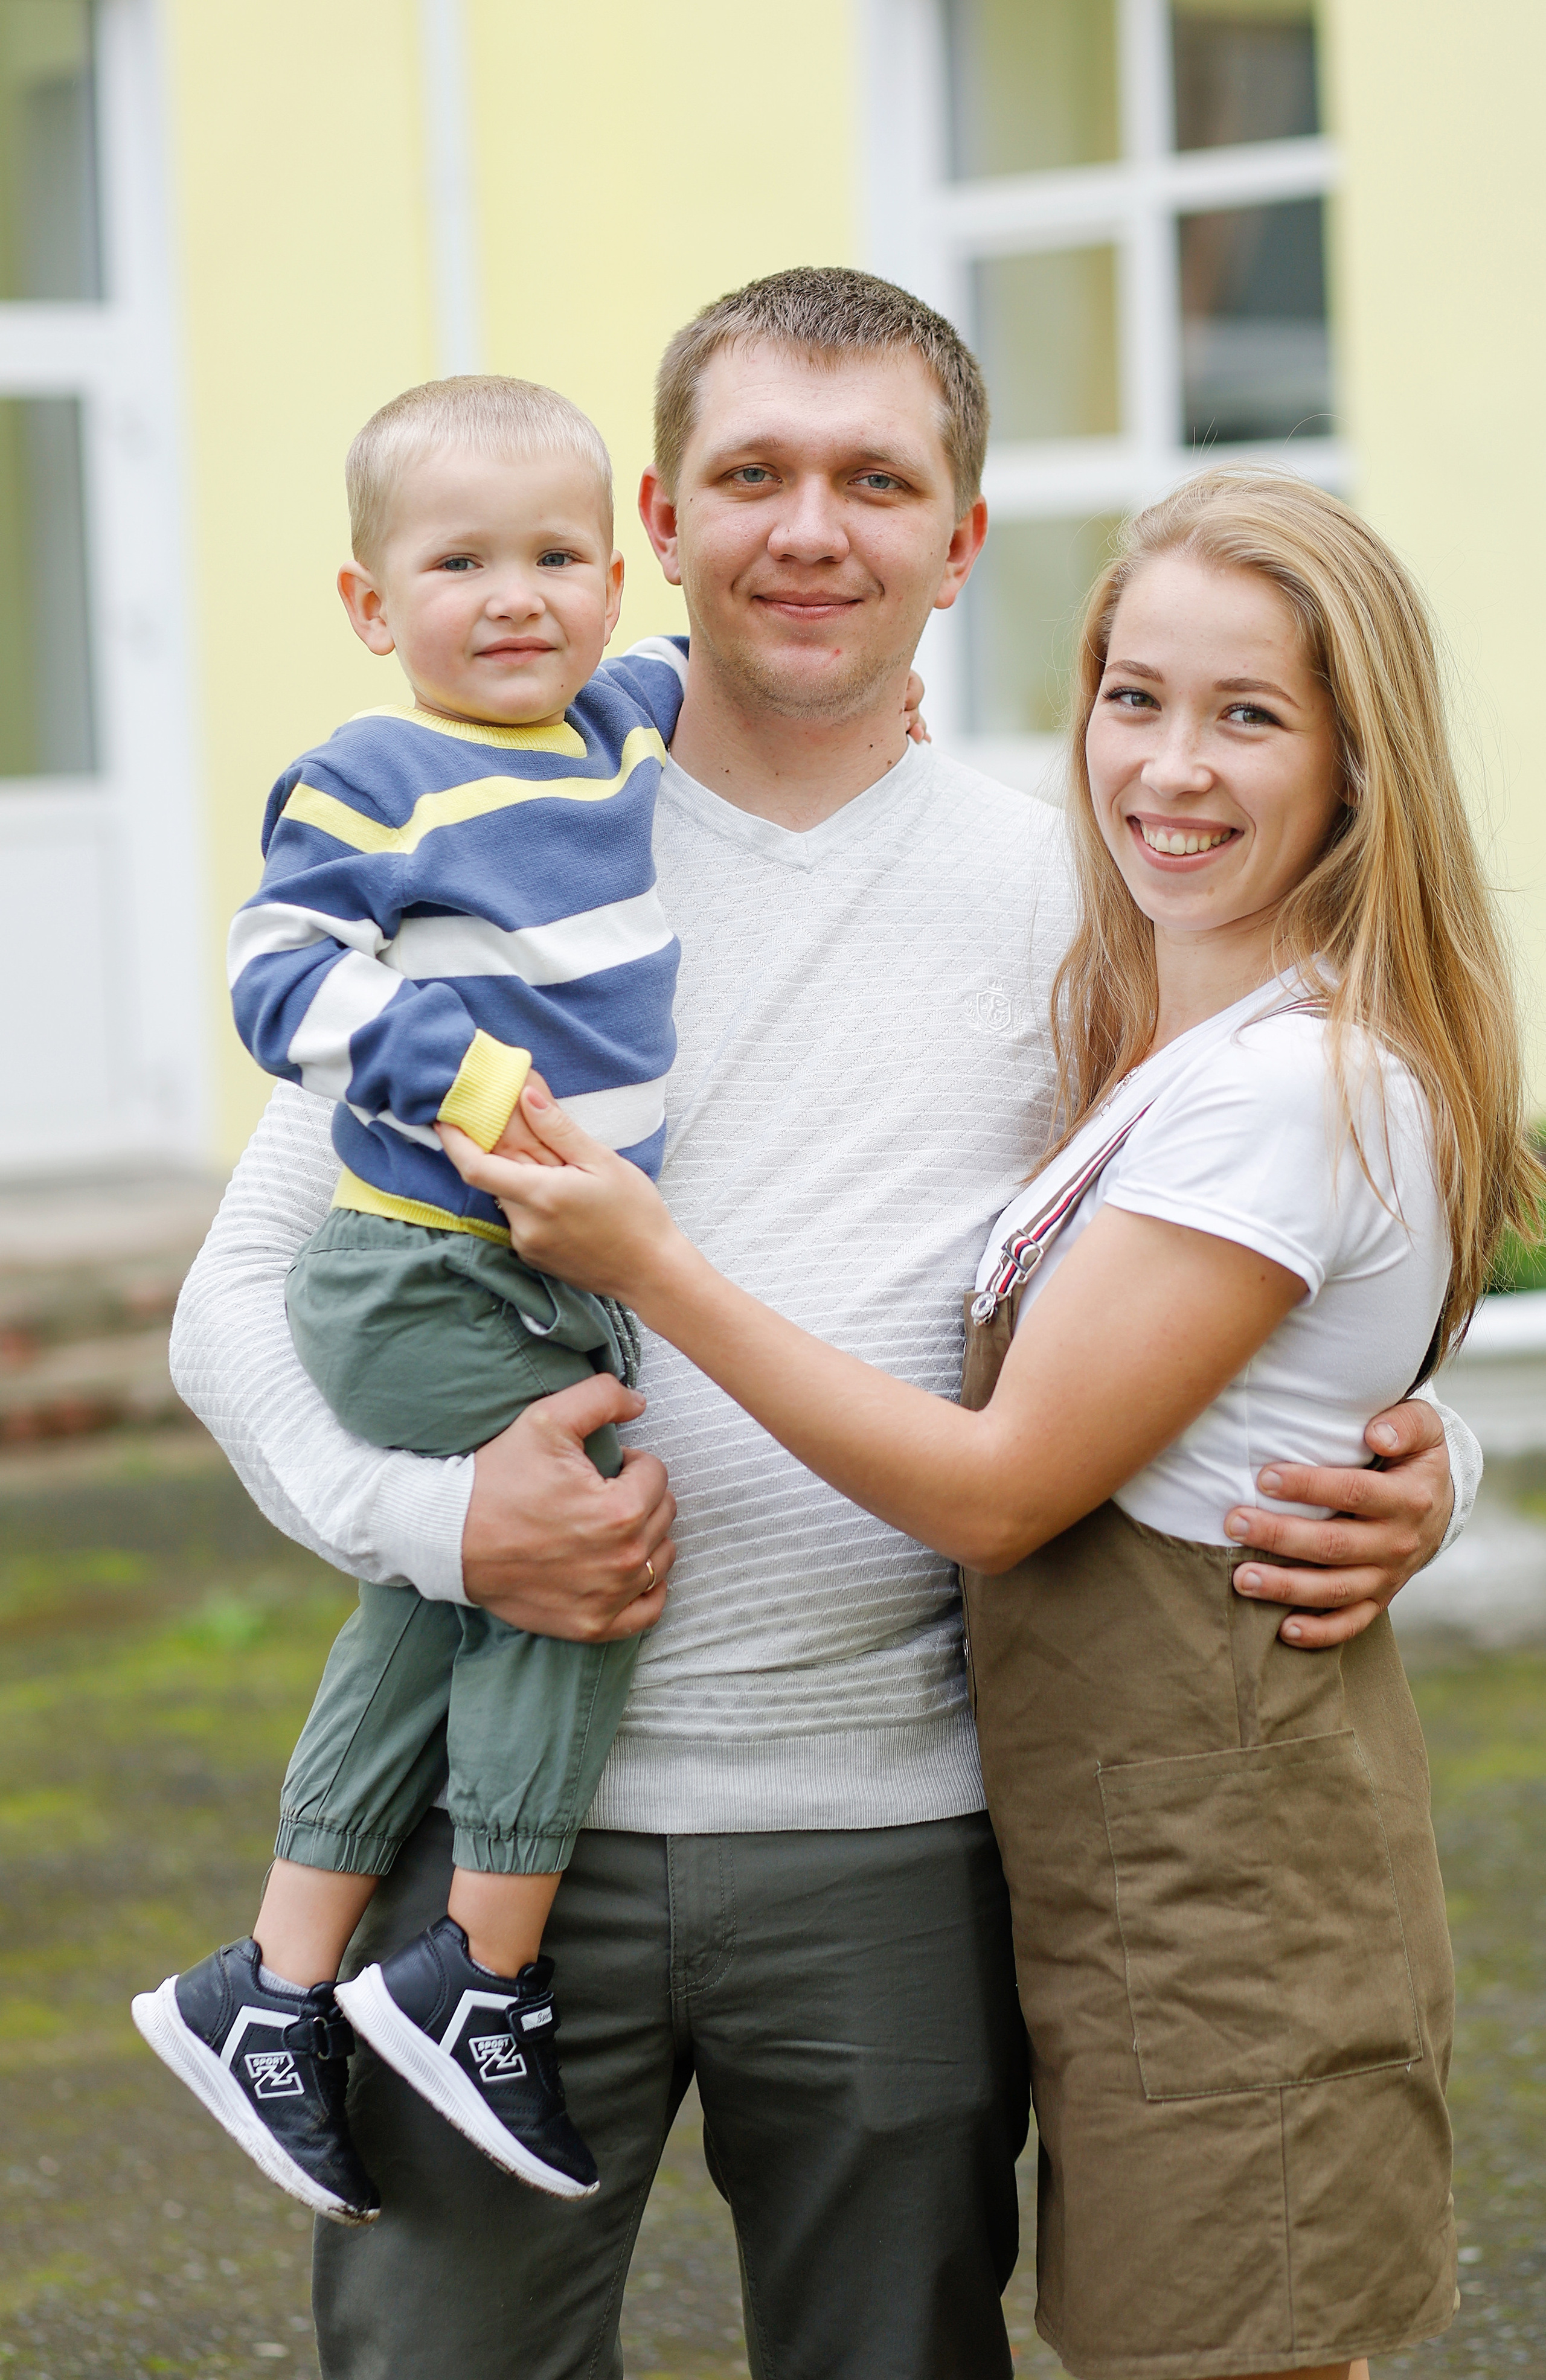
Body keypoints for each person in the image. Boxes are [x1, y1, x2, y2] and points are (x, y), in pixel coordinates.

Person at [170, 272, 1478, 2380]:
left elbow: (1274, 1236)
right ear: (655, 528)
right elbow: (237, 1300)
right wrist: (426, 1527)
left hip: (899, 1836)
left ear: (962, 542)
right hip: (504, 1853)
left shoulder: (1093, 893)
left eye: (878, 481)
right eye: (752, 475)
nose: (812, 529)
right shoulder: (487, 836)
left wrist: (1420, 1462)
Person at [456, 466, 1540, 2380]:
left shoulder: (1283, 1085)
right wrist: (1413, 1440)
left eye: (1251, 715)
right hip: (1130, 1877)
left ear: (1360, 764)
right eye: (1136, 699)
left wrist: (657, 1258)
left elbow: (1002, 1493)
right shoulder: (1177, 1036)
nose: (1173, 769)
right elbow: (1271, 1363)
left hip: (1230, 1891)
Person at [135, 376, 699, 2217]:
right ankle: (479, 1974)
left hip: (504, 1270)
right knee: (581, 1557)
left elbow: (722, 679)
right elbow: (276, 974)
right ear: (375, 606)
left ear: (614, 578)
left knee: (444, 1589)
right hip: (424, 1256)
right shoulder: (373, 770)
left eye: (556, 556)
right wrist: (448, 1075)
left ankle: (276, 1993)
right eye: (461, 563)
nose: (517, 596)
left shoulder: (615, 725)